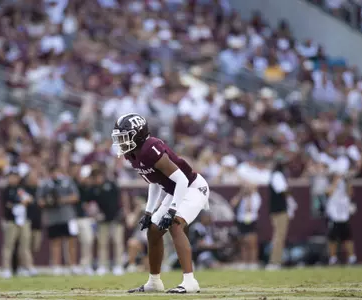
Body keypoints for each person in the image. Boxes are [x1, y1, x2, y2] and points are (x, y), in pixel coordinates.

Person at [111, 113, 210, 293]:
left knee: (174, 224)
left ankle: (190, 282)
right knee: (154, 229)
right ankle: (154, 282)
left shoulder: (151, 149)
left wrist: (171, 211)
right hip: (174, 190)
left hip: (193, 187)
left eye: (124, 137)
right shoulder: (133, 154)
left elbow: (181, 179)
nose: (121, 142)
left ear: (138, 135)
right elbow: (154, 182)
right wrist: (148, 213)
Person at [37, 165, 80, 275]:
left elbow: (75, 197)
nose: (55, 174)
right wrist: (49, 202)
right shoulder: (45, 184)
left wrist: (61, 200)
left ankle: (73, 265)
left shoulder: (67, 182)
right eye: (53, 172)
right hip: (52, 217)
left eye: (57, 171)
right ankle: (57, 266)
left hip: (68, 216)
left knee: (72, 241)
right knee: (55, 242)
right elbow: (40, 201)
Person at [89, 165, 125, 276]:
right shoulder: (93, 189)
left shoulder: (111, 184)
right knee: (102, 243)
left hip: (116, 218)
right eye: (94, 177)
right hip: (102, 220)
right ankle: (102, 265)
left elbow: (120, 199)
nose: (97, 179)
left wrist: (121, 212)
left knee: (117, 242)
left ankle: (119, 265)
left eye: (98, 176)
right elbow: (91, 204)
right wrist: (96, 214)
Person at [0, 167, 33, 278]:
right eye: (11, 176)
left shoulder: (22, 189)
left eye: (15, 177)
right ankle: (6, 268)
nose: (13, 179)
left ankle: (26, 267)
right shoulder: (6, 190)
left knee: (24, 246)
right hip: (11, 221)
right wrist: (19, 203)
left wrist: (23, 202)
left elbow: (29, 200)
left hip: (23, 221)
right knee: (8, 246)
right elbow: (8, 205)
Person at [326, 170, 357, 265]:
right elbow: (328, 192)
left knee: (347, 238)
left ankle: (352, 258)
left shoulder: (345, 185)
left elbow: (350, 193)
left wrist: (347, 180)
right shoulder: (330, 185)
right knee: (332, 239)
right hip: (334, 217)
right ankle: (333, 259)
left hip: (344, 216)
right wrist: (336, 180)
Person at [266, 160, 290, 271]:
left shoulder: (274, 175)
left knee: (278, 236)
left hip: (276, 210)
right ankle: (274, 261)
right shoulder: (277, 175)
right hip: (279, 210)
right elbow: (283, 190)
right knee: (279, 236)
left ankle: (277, 260)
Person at [231, 185, 261, 270]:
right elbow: (233, 203)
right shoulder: (241, 196)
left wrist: (249, 197)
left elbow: (250, 208)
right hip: (241, 221)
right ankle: (244, 262)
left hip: (251, 221)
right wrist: (241, 194)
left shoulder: (255, 196)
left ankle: (253, 262)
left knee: (252, 243)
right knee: (243, 242)